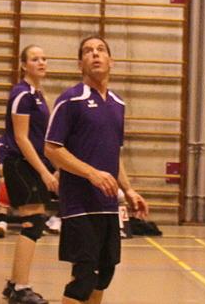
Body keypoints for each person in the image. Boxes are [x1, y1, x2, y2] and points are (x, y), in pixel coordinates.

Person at [45, 35, 149, 304]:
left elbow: (114, 154)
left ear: (111, 61)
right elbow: (52, 149)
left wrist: (128, 190)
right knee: (84, 277)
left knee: (104, 273)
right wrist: (91, 173)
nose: (95, 54)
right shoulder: (70, 100)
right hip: (79, 204)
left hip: (108, 205)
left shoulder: (118, 104)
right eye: (88, 51)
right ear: (80, 63)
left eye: (101, 50)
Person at [0, 44, 59, 304]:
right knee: (33, 223)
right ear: (24, 65)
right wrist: (45, 172)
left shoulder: (37, 95)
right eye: (35, 59)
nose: (41, 62)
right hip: (20, 164)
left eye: (44, 58)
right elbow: (21, 138)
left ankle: (14, 283)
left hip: (32, 165)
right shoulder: (22, 94)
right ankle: (21, 288)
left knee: (34, 221)